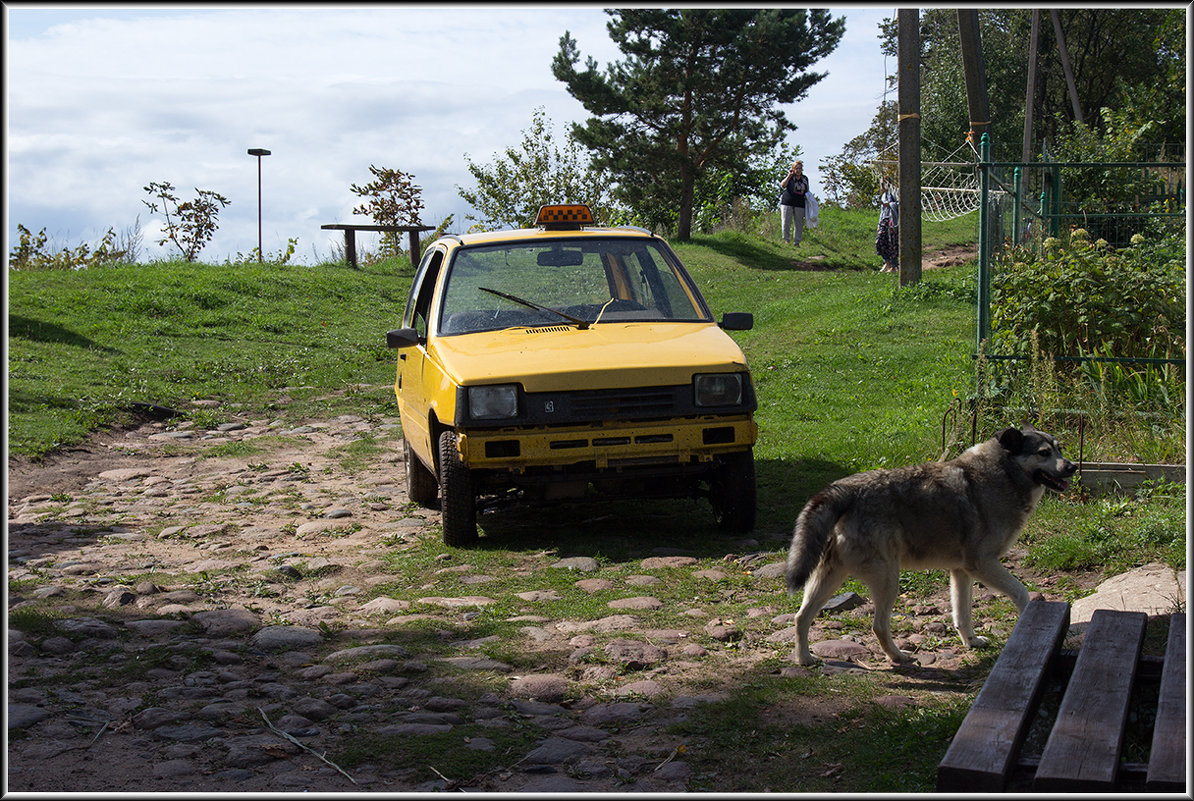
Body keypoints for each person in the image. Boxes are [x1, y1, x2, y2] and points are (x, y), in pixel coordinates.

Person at [779, 160, 811, 247]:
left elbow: (807, 191)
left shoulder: (805, 179)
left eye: (800, 168)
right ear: (793, 169)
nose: (798, 170)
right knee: (786, 222)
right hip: (787, 202)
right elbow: (783, 185)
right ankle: (786, 240)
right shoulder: (790, 178)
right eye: (796, 168)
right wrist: (789, 175)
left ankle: (797, 242)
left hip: (800, 203)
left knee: (799, 223)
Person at [876, 178, 899, 272]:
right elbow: (882, 211)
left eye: (883, 184)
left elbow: (899, 204)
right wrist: (879, 223)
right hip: (884, 220)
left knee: (892, 243)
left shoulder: (895, 193)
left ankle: (893, 266)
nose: (882, 187)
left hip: (892, 220)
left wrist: (890, 205)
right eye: (881, 184)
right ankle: (887, 261)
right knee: (879, 241)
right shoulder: (883, 195)